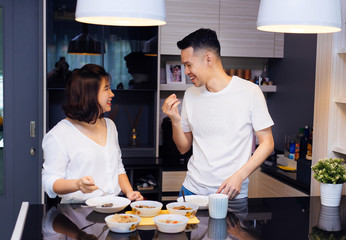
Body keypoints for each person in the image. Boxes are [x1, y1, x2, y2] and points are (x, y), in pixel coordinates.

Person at [162, 28, 274, 200]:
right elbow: (183, 147)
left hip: (230, 194)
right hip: (191, 190)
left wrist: (240, 176)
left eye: (189, 64)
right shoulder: (191, 95)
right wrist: (175, 121)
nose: (185, 72)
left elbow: (267, 143)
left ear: (208, 58)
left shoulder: (250, 92)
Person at [42, 64, 143, 203]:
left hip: (113, 210)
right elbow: (49, 182)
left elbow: (118, 168)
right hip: (77, 213)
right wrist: (77, 184)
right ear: (89, 94)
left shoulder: (110, 125)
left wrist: (129, 192)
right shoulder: (59, 134)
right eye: (106, 89)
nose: (112, 94)